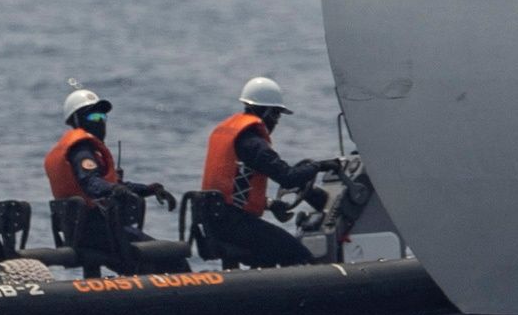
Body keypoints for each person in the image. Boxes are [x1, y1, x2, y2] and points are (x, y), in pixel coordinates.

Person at [195, 77, 332, 269]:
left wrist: (269, 204)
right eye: (276, 116)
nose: (276, 122)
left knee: (266, 256)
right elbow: (288, 177)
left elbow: (234, 189)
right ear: (267, 112)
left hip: (217, 222)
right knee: (297, 253)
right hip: (234, 224)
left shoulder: (230, 132)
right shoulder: (252, 143)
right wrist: (319, 166)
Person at [41, 88, 163, 274]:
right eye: (93, 118)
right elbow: (91, 183)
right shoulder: (81, 151)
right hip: (95, 232)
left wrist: (148, 190)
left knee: (148, 264)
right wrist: (114, 190)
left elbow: (112, 185)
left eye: (102, 118)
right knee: (168, 256)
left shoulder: (88, 150)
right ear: (76, 121)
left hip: (93, 229)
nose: (100, 123)